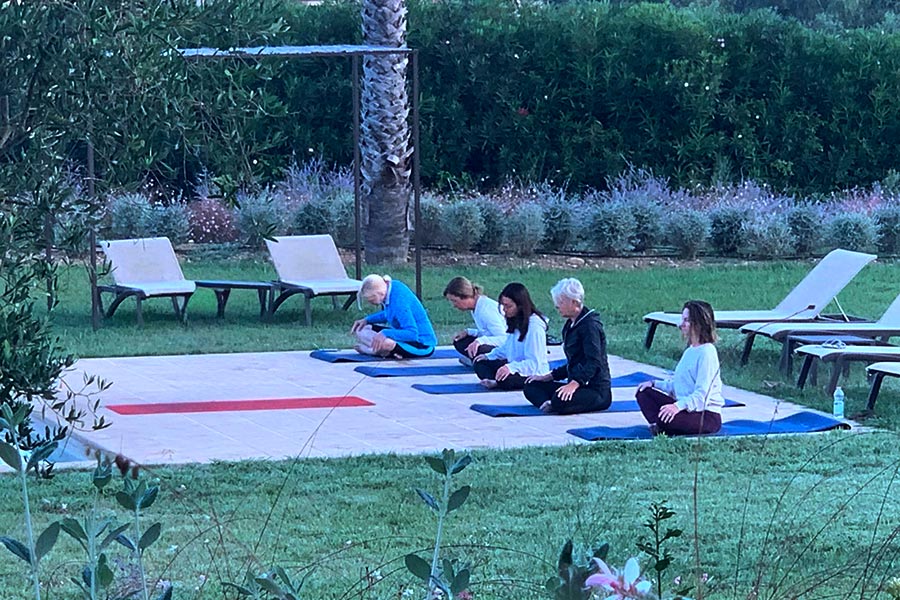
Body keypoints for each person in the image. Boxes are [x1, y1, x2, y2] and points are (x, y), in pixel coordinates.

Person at [635, 300, 724, 435]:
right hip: (685, 408)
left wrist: (677, 407)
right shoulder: (690, 351)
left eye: (687, 320)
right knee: (644, 392)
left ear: (699, 324)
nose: (681, 324)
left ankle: (662, 425)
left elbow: (702, 395)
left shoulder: (707, 352)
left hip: (705, 415)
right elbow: (678, 385)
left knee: (668, 419)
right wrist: (654, 384)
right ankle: (661, 425)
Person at [524, 278, 612, 414]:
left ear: (574, 302)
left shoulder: (590, 326)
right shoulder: (571, 324)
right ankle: (549, 404)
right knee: (532, 385)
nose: (557, 306)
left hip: (594, 389)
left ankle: (554, 403)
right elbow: (574, 362)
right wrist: (549, 376)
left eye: (560, 302)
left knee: (560, 400)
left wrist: (575, 383)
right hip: (576, 384)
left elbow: (594, 362)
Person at [473, 282, 550, 390]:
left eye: (508, 306)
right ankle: (497, 379)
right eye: (503, 305)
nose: (504, 309)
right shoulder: (515, 320)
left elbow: (534, 363)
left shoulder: (534, 327)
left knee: (507, 379)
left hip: (533, 372)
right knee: (481, 363)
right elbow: (507, 347)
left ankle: (497, 381)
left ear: (520, 306)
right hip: (514, 364)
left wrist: (511, 368)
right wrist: (490, 356)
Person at [350, 274, 437, 359]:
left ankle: (373, 351)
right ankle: (386, 351)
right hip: (402, 337)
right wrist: (367, 320)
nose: (370, 303)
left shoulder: (399, 302)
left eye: (371, 299)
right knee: (361, 329)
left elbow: (412, 334)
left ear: (380, 293)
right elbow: (389, 314)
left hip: (421, 343)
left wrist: (385, 333)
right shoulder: (391, 287)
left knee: (387, 343)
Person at [443, 276, 508, 364]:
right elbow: (488, 332)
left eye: (455, 301)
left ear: (465, 296)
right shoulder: (476, 307)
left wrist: (480, 341)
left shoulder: (486, 311)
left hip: (510, 348)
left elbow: (504, 339)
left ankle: (491, 362)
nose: (454, 305)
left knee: (479, 347)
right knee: (460, 341)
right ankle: (477, 360)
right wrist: (470, 332)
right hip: (499, 342)